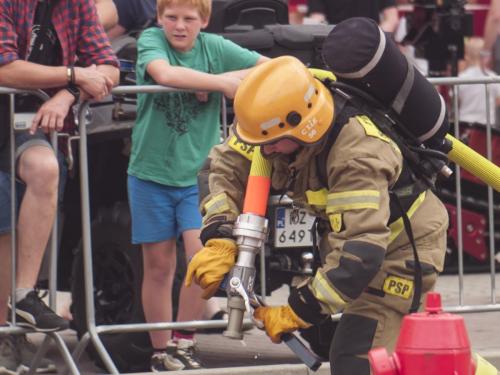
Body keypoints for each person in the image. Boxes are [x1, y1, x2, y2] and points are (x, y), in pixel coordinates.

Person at [185, 55, 448, 375]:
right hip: (347, 248)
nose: (264, 152)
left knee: (358, 357)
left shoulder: (356, 153)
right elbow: (223, 171)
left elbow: (361, 251)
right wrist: (220, 238)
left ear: (305, 128)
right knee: (340, 343)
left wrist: (296, 311)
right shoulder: (269, 127)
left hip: (402, 250)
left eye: (272, 145)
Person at [127, 0, 268, 371]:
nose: (179, 25)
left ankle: (184, 341)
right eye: (171, 17)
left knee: (201, 259)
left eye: (189, 18)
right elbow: (164, 74)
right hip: (150, 173)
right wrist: (220, 82)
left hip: (200, 177)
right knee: (157, 266)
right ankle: (161, 349)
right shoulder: (150, 40)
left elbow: (267, 68)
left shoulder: (214, 48)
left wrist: (220, 76)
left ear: (203, 21)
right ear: (159, 18)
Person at [0, 0, 119, 373]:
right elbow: (5, 67)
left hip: (27, 127)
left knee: (46, 169)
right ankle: (5, 335)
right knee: (2, 230)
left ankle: (21, 298)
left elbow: (107, 67)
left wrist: (67, 93)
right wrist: (73, 74)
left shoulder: (77, 4)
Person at [458, 37, 500, 128]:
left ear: (466, 55)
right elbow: (498, 100)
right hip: (487, 124)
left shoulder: (461, 77)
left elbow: (457, 100)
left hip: (465, 122)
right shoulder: (492, 77)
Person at [307, 0, 399, 33]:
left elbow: (391, 19)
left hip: (372, 42)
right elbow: (318, 19)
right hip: (336, 44)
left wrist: (378, 38)